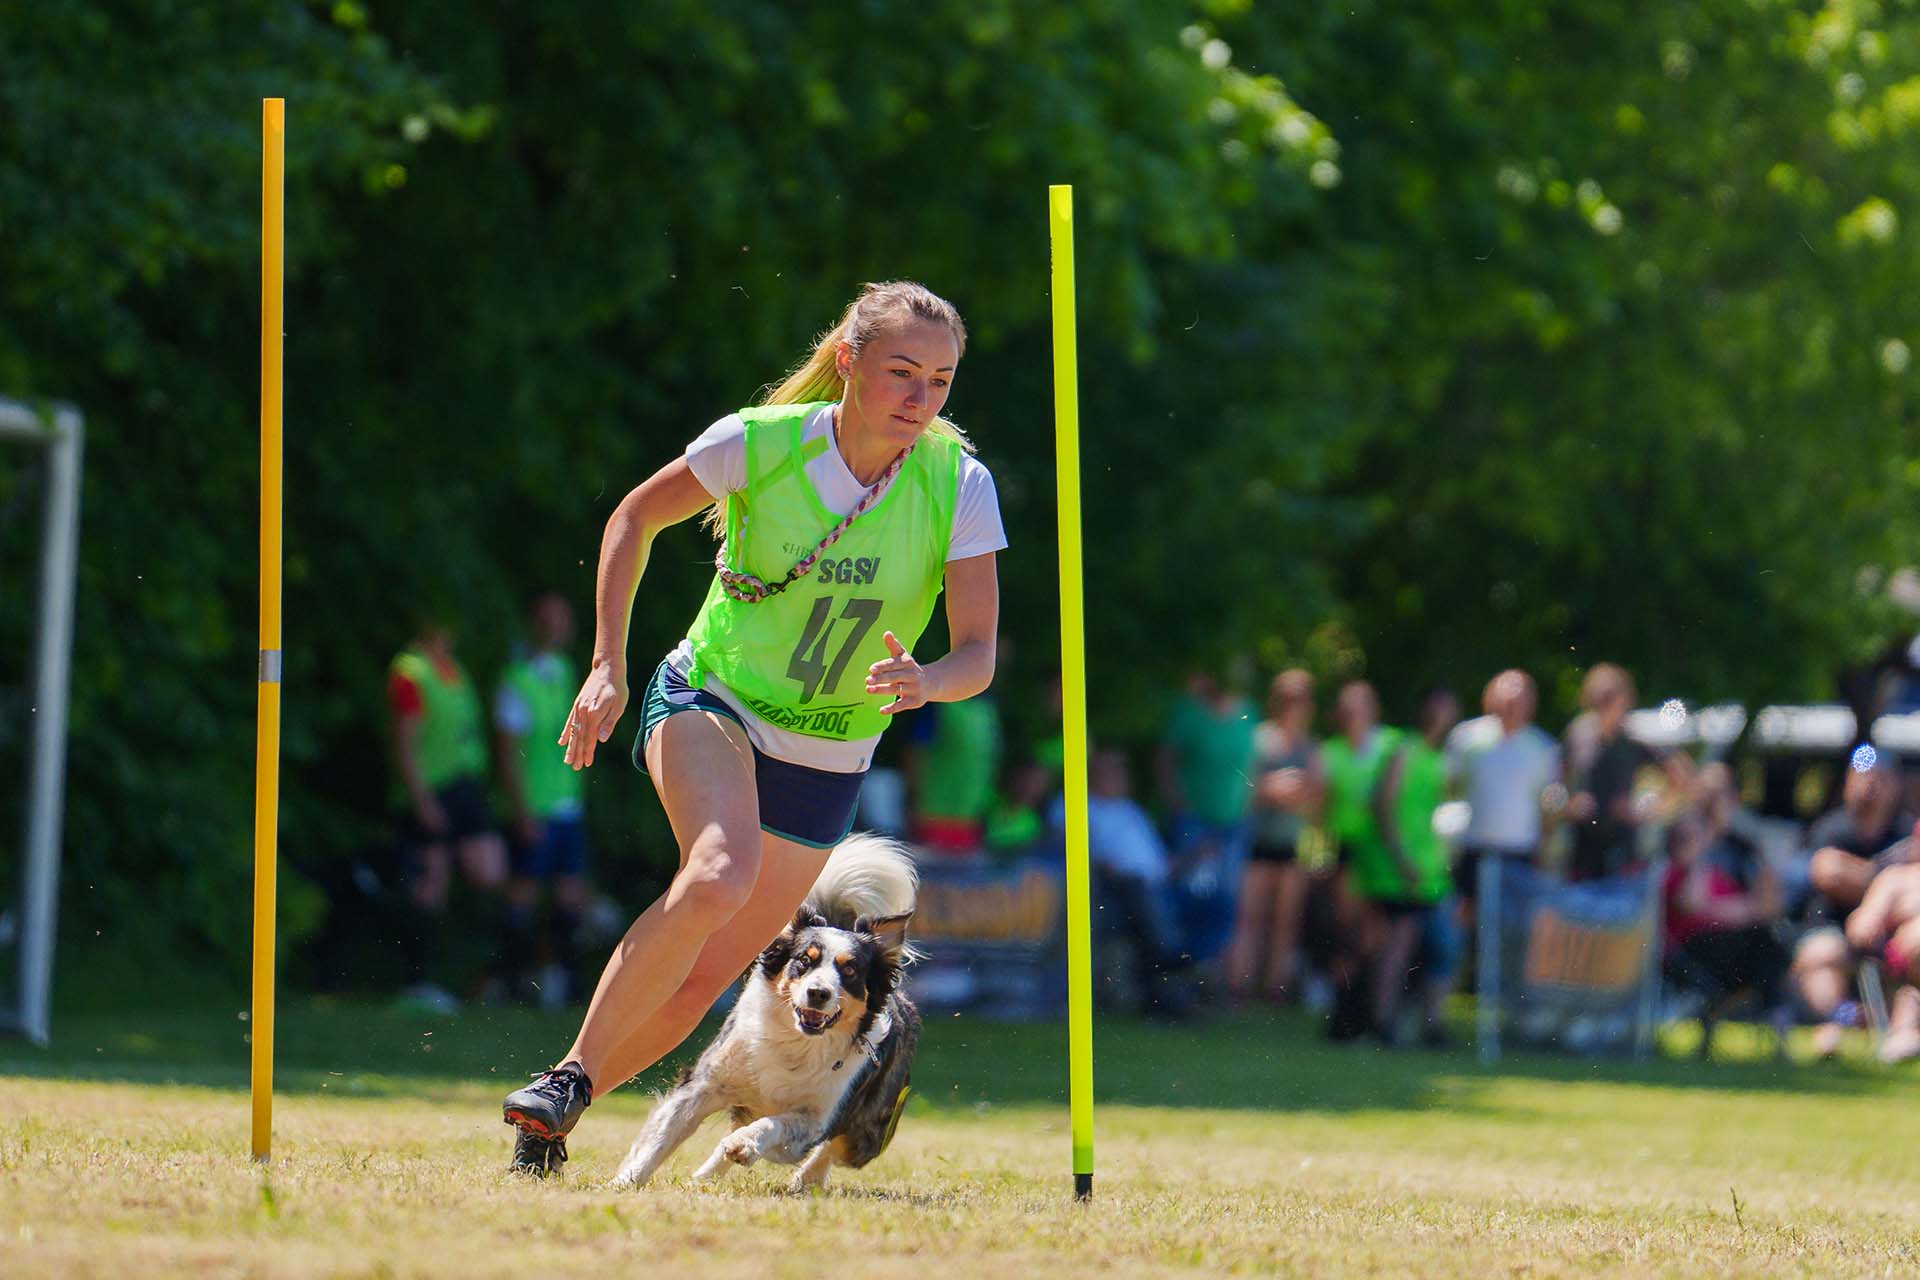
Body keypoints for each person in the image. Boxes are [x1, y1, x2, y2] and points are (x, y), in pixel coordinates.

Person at [500, 282, 1005, 1174]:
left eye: (940, 380)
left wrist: (927, 681)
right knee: (716, 875)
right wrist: (608, 664)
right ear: (848, 361)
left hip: (831, 751)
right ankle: (568, 1077)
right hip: (716, 697)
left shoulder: (958, 483)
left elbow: (978, 655)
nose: (920, 398)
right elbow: (634, 518)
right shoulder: (760, 443)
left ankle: (556, 1112)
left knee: (703, 982)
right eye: (901, 372)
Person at [387, 617, 512, 1013]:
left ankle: (487, 975)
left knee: (491, 872)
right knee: (430, 884)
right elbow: (404, 743)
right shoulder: (410, 672)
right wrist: (421, 798)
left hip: (465, 787)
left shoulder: (454, 670)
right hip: (432, 788)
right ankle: (418, 982)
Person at [494, 591, 592, 1007]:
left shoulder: (565, 670)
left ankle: (562, 982)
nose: (557, 627)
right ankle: (509, 981)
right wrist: (521, 810)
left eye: (562, 619)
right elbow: (507, 752)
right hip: (534, 805)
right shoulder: (516, 679)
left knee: (570, 894)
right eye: (549, 619)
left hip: (566, 803)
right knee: (524, 893)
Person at [1223, 669, 1324, 1003]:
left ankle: (1275, 987)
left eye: (1300, 699)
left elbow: (1319, 795)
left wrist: (1298, 794)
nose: (1293, 706)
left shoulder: (1311, 746)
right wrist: (1271, 789)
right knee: (1248, 918)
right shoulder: (1259, 739)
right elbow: (1240, 789)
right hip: (1257, 839)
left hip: (1292, 843)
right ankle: (1239, 983)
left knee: (1285, 922)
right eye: (1287, 699)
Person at [1372, 687, 1464, 1046]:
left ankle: (1431, 1023)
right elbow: (1385, 805)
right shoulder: (1405, 750)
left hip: (1432, 873)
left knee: (1443, 948)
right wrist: (1401, 858)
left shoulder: (1439, 757)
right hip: (1404, 871)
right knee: (1399, 947)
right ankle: (1383, 1022)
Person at [1156, 668, 1258, 966]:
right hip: (1194, 822)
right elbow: (1165, 761)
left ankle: (1210, 969)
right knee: (1190, 892)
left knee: (1227, 898)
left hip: (1234, 823)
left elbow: (1251, 764)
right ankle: (1177, 963)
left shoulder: (1248, 711)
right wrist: (1180, 806)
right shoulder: (1189, 711)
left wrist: (1246, 805)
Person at [1318, 680, 1401, 1038]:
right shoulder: (1331, 752)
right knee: (1348, 932)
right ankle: (1344, 1015)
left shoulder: (1391, 745)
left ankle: (1370, 1013)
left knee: (1375, 935)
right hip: (1347, 850)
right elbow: (1322, 806)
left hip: (1381, 852)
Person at [1453, 669, 1561, 894]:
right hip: (1475, 846)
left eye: (1520, 700)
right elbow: (1450, 788)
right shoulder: (1467, 738)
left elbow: (1548, 803)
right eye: (1508, 699)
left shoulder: (1543, 747)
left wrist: (1547, 848)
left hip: (1520, 850)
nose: (1513, 706)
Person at [1563, 663, 1652, 882]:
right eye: (1599, 697)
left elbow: (1681, 779)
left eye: (1611, 696)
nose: (1605, 703)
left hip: (1623, 845)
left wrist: (1644, 806)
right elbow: (1555, 785)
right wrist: (1570, 803)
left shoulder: (1634, 738)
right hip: (1582, 846)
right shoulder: (1578, 733)